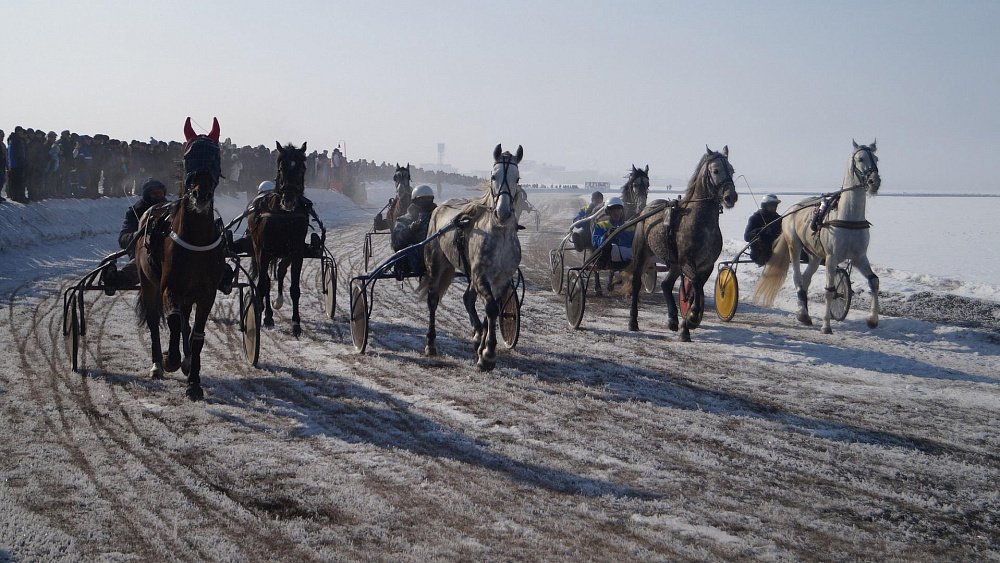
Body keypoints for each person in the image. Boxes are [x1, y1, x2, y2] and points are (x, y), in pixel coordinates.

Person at [101, 178, 169, 292]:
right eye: (154, 194)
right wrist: (139, 234)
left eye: (160, 193)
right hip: (145, 254)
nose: (158, 197)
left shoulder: (172, 209)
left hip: (169, 255)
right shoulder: (135, 211)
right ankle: (112, 277)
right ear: (147, 195)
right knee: (136, 269)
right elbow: (123, 239)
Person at [391, 184, 437, 275]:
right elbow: (396, 242)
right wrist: (410, 230)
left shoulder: (438, 218)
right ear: (415, 200)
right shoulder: (405, 219)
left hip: (435, 258)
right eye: (422, 199)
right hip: (414, 260)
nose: (426, 201)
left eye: (429, 199)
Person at [744, 193, 782, 266]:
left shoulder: (778, 219)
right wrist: (760, 230)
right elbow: (746, 237)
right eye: (772, 205)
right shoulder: (755, 218)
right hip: (760, 254)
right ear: (764, 206)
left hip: (777, 251)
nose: (774, 207)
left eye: (775, 205)